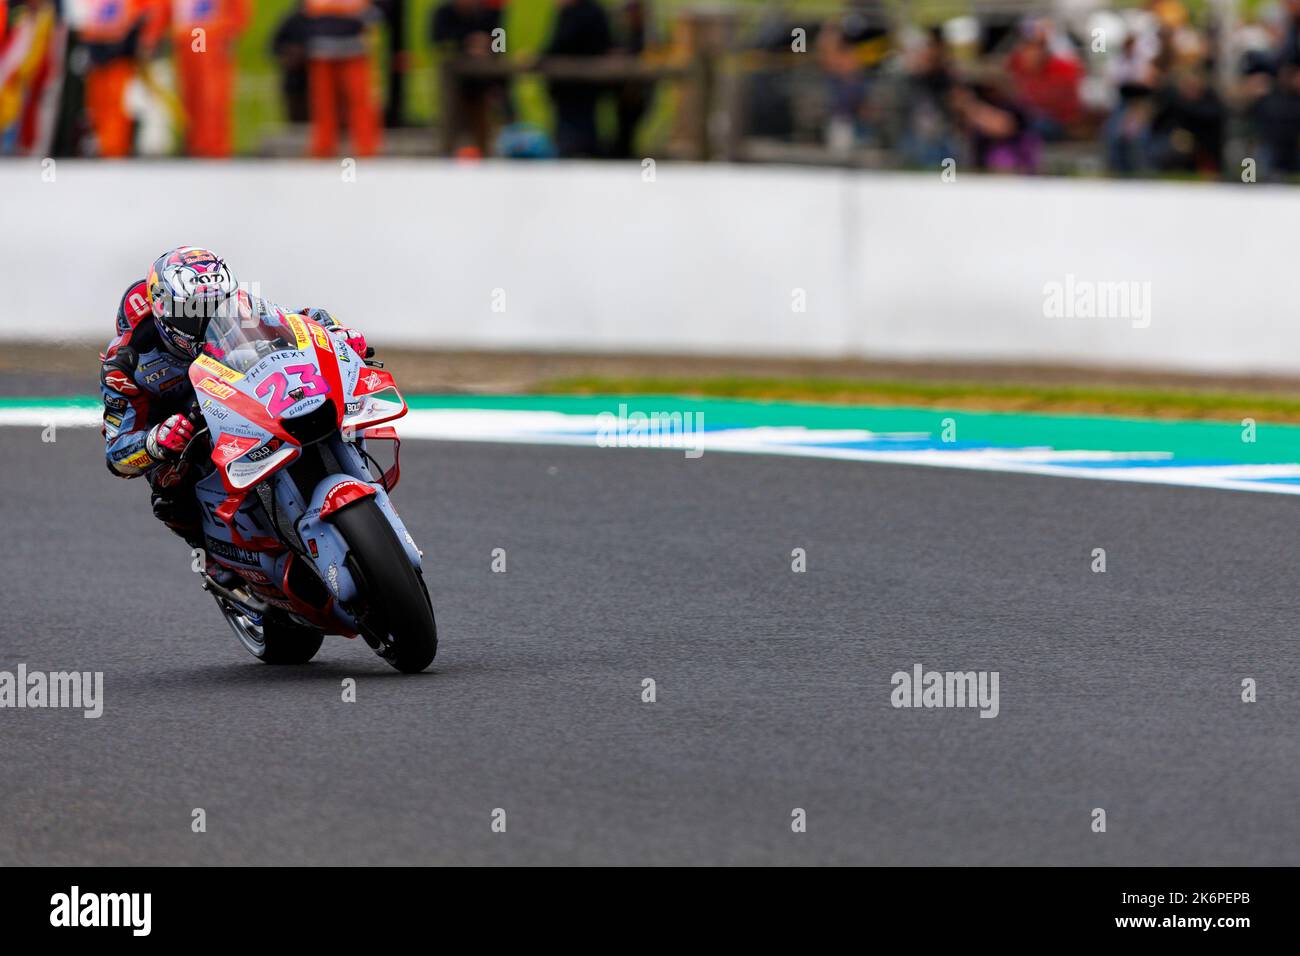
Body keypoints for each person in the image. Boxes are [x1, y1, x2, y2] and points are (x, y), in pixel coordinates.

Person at [100, 247, 368, 580]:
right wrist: (155, 442)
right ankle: (215, 563)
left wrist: (338, 335)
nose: (207, 320)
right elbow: (117, 454)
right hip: (179, 424)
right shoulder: (127, 361)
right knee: (170, 489)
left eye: (217, 308)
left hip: (237, 393)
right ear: (163, 313)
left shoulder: (240, 306)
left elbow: (303, 320)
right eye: (192, 313)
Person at [157, 0, 248, 157]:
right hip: (189, 39)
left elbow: (237, 12)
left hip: (210, 38)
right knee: (191, 95)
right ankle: (196, 145)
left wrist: (228, 32)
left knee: (211, 96)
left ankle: (212, 148)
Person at [77, 0, 163, 157]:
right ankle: (103, 147)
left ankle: (115, 149)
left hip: (120, 56)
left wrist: (144, 41)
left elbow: (145, 15)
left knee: (118, 105)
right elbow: (85, 19)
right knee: (98, 104)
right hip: (97, 55)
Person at [302, 0, 382, 157]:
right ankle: (323, 148)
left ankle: (366, 147)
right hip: (322, 48)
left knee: (360, 98)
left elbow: (376, 12)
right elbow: (304, 12)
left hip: (355, 48)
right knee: (323, 102)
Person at [541, 0, 612, 158]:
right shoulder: (590, 11)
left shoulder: (582, 13)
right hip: (573, 84)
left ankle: (577, 153)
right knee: (576, 127)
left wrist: (540, 58)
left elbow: (562, 42)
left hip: (578, 83)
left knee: (576, 132)